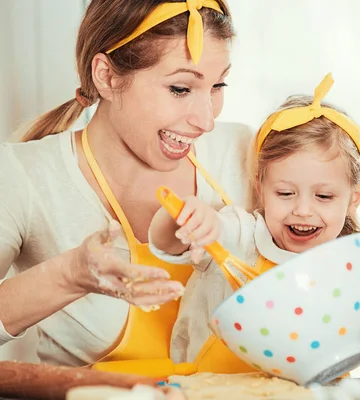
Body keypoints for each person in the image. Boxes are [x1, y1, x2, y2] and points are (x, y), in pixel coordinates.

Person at [149, 73, 360, 367]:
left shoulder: (356, 278)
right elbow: (168, 242)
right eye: (285, 194)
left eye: (324, 196)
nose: (303, 209)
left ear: (354, 198)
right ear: (260, 187)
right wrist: (188, 218)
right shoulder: (239, 236)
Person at [0, 0, 253, 367]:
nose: (206, 121)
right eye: (181, 88)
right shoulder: (24, 175)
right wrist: (70, 276)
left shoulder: (245, 154)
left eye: (218, 85)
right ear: (106, 76)